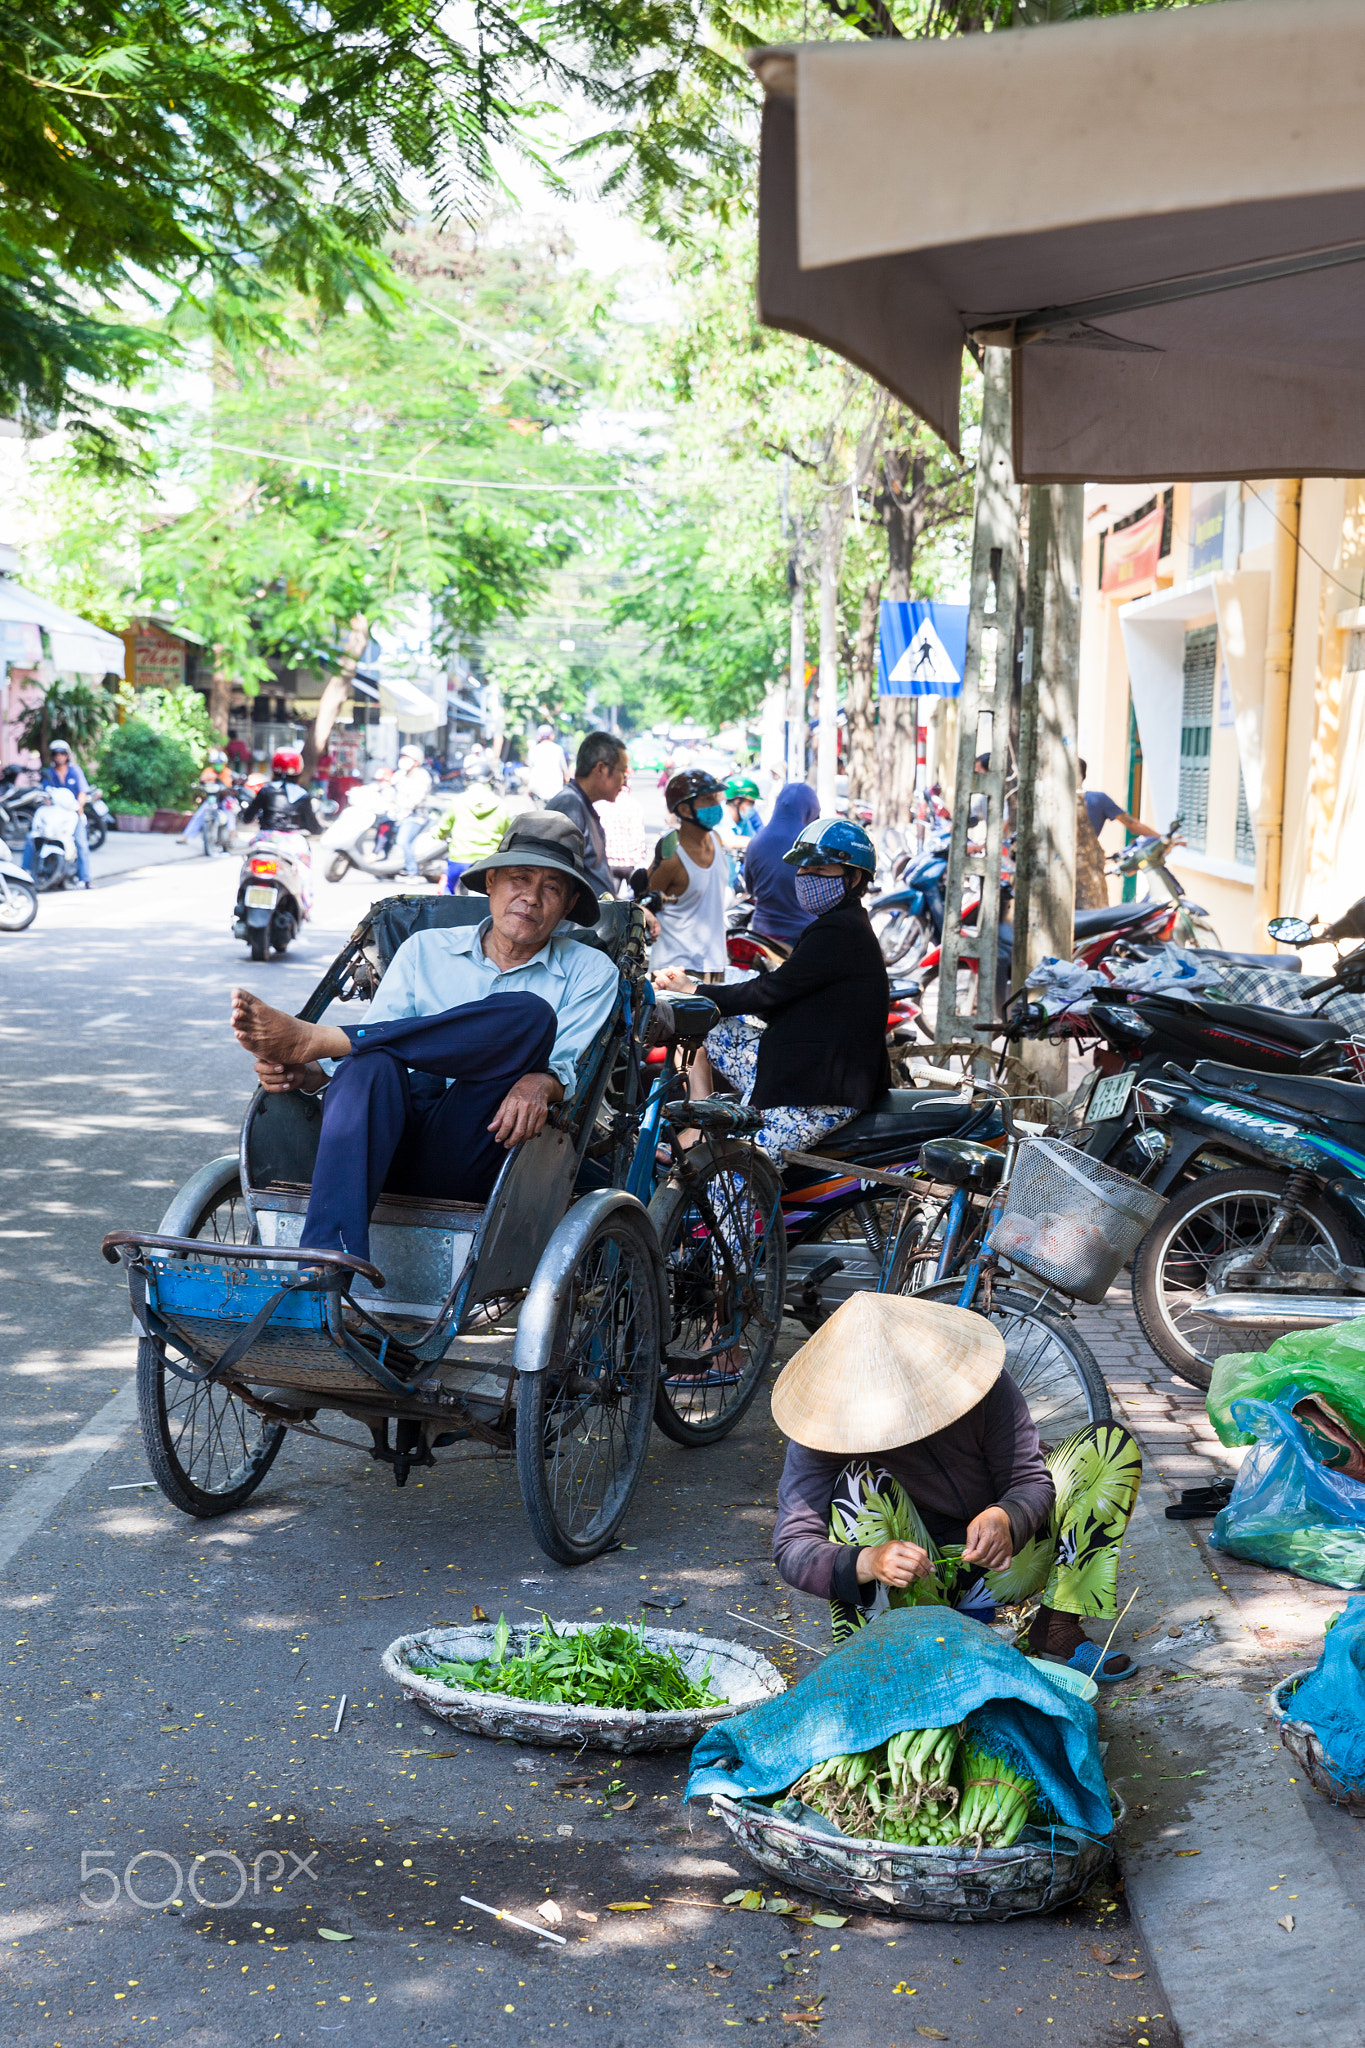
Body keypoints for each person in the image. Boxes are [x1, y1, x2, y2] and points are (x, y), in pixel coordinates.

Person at [229, 813, 618, 1261]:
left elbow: (566, 1064)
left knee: (529, 1015)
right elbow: (365, 1065)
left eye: (551, 888)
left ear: (568, 905)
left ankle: (329, 1038)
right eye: (519, 878)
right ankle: (323, 1267)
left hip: (482, 1138)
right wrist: (309, 1073)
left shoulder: (590, 970)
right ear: (491, 882)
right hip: (380, 1139)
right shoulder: (424, 949)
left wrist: (541, 1082)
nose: (530, 897)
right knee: (370, 1061)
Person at [769, 1291, 1142, 1682]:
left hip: (1008, 1561)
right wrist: (870, 1560)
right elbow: (792, 1547)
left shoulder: (981, 1384)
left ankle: (1058, 1625)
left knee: (1108, 1447)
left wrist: (1005, 1515)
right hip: (913, 1588)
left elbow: (1029, 1480)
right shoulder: (824, 1426)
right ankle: (881, 1663)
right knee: (856, 1484)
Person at [654, 816, 890, 1159]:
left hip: (818, 1092)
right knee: (697, 1024)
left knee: (735, 1176)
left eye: (820, 871)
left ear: (854, 878)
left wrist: (697, 990)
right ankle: (699, 1126)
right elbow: (778, 998)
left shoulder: (841, 932)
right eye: (803, 871)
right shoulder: (838, 925)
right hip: (796, 1062)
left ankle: (716, 1152)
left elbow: (771, 991)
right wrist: (696, 993)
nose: (806, 879)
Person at [648, 768, 729, 978]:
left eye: (716, 798)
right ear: (684, 810)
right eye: (708, 800)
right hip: (675, 971)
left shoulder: (717, 841)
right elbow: (643, 903)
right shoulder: (671, 858)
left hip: (715, 965)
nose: (716, 806)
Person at [545, 730, 628, 899]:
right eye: (622, 771)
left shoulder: (582, 805)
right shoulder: (569, 806)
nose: (624, 780)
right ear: (601, 769)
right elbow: (557, 880)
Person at [1076, 758, 1160, 912]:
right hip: (1087, 876)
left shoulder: (1050, 802)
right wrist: (1162, 838)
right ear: (1083, 775)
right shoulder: (1098, 799)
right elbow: (1133, 825)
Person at [741, 781, 820, 945]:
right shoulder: (811, 843)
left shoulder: (756, 841)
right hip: (802, 934)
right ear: (810, 810)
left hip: (761, 933)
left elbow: (750, 888)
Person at [434, 761, 512, 895]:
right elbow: (508, 832)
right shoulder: (501, 805)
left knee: (448, 889)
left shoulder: (458, 800)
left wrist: (438, 835)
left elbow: (444, 827)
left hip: (459, 859)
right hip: (488, 861)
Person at [24, 741, 91, 888]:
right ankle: (25, 873)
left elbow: (82, 792)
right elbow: (46, 795)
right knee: (33, 837)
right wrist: (47, 800)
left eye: (62, 753)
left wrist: (79, 807)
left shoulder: (75, 771)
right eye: (55, 753)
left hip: (71, 814)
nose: (59, 756)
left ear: (67, 755)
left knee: (81, 843)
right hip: (54, 815)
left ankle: (85, 879)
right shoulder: (49, 774)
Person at [391, 743, 434, 877]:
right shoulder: (400, 774)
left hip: (415, 816)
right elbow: (388, 786)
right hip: (396, 814)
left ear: (416, 762)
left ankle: (412, 871)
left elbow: (417, 798)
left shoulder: (422, 776)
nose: (403, 760)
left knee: (403, 841)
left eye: (406, 757)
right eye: (402, 757)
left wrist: (403, 806)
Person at [719, 776, 761, 886]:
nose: (752, 807)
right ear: (738, 801)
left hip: (730, 882)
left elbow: (753, 837)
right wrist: (762, 843)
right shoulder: (719, 816)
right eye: (750, 803)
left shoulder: (742, 821)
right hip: (715, 885)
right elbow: (730, 841)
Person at [527, 723, 570, 803]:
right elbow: (565, 772)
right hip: (556, 791)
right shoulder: (558, 749)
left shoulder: (533, 750)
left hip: (537, 791)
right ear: (552, 736)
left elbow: (530, 771)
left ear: (538, 737)